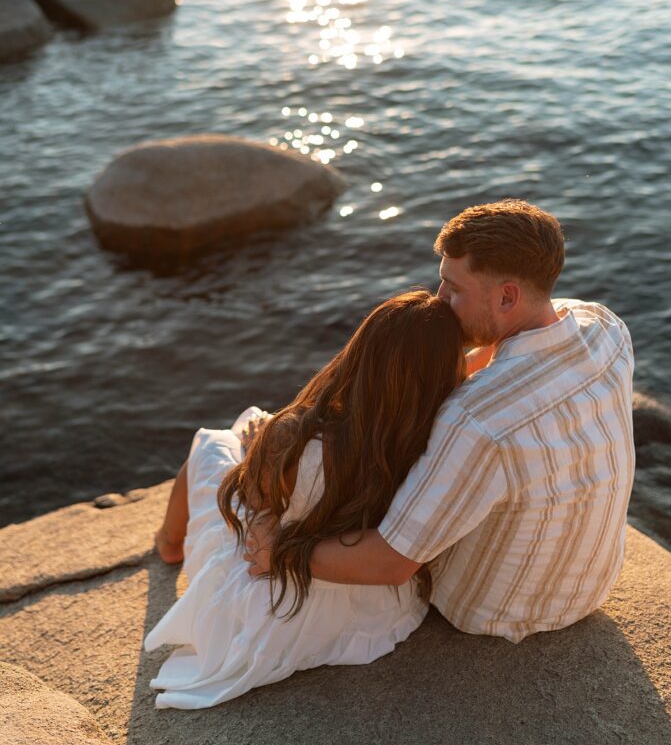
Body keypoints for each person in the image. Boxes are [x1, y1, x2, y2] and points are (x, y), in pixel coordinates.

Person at [246, 200, 636, 644]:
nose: (440, 298)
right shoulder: (604, 328)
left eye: (453, 287)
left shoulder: (475, 419)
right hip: (592, 586)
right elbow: (511, 353)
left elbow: (391, 562)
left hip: (493, 609)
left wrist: (276, 549)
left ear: (507, 296)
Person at [145, 290, 466, 709]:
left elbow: (260, 507)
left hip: (282, 605)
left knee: (213, 444)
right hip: (376, 613)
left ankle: (169, 543)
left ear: (362, 354)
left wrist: (258, 449)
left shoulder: (298, 437)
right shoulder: (436, 438)